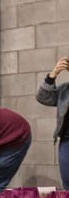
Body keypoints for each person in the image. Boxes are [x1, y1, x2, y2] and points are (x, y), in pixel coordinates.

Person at [38, 56, 69, 189]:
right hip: (66, 141)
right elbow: (43, 97)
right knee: (67, 182)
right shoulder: (65, 90)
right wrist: (53, 75)